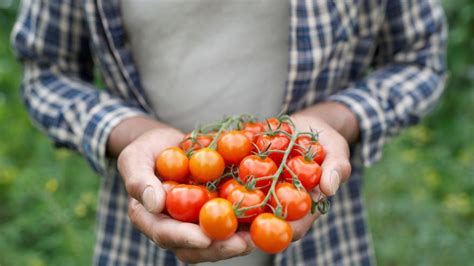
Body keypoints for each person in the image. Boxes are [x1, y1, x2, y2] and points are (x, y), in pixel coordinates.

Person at [11, 0, 446, 265]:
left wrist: (334, 119)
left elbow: (420, 57)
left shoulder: (273, 169)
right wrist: (131, 133)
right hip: (139, 240)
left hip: (327, 247)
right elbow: (46, 71)